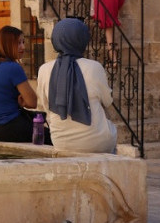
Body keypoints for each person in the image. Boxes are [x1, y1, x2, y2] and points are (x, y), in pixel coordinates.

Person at [36, 18, 117, 153]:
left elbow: (46, 105)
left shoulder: (44, 70)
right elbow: (107, 101)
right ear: (82, 40)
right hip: (97, 142)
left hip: (61, 141)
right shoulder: (94, 67)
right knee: (109, 132)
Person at [0, 26, 49, 143]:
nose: (23, 47)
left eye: (23, 42)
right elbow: (32, 102)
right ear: (7, 44)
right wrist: (21, 101)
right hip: (7, 127)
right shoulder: (13, 67)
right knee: (52, 137)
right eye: (18, 43)